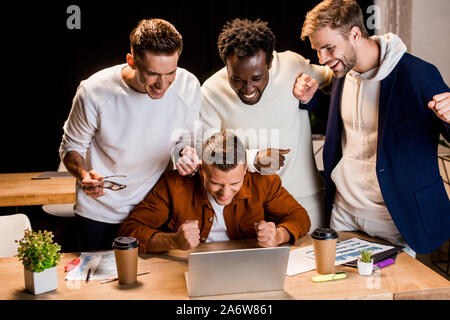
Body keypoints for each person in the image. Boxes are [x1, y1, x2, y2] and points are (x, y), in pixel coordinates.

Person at [294, 0, 450, 255]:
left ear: (355, 33)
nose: (323, 59)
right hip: (343, 212)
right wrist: (310, 98)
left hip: (396, 219)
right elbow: (345, 120)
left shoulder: (418, 74)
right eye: (318, 50)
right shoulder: (343, 72)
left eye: (329, 48)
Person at [59, 19, 201, 251]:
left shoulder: (188, 85)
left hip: (156, 208)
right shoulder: (94, 91)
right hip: (101, 211)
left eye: (170, 73)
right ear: (132, 61)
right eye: (153, 74)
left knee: (159, 284)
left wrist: (188, 153)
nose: (162, 85)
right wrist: (84, 175)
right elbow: (70, 148)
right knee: (98, 284)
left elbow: (185, 140)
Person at [199, 18, 333, 233]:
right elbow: (204, 151)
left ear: (270, 62)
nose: (248, 88)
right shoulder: (211, 91)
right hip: (248, 207)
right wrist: (252, 160)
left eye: (257, 77)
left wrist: (312, 89)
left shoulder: (292, 65)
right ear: (226, 64)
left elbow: (336, 76)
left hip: (305, 199)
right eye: (237, 80)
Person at [118, 131, 311, 253]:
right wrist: (173, 241)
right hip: (186, 269)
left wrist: (279, 235)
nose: (225, 193)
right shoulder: (175, 184)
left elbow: (300, 217)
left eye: (235, 182)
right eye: (215, 183)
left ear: (245, 170)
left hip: (247, 268)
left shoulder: (264, 182)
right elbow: (130, 231)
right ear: (201, 169)